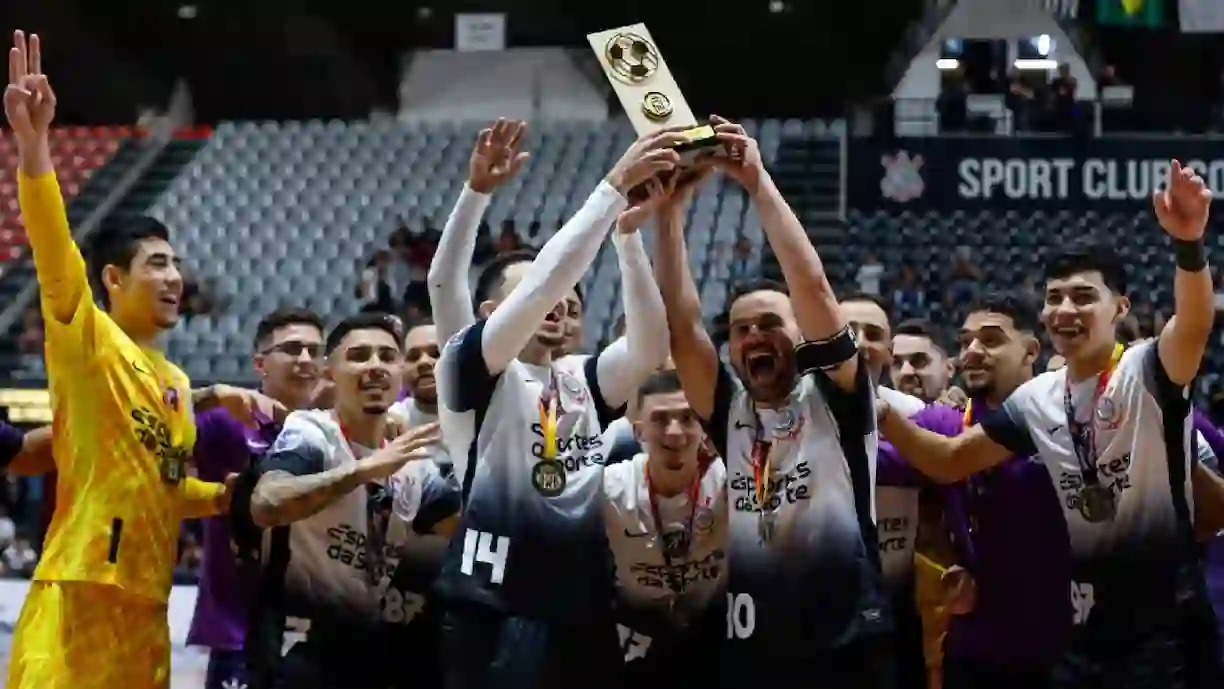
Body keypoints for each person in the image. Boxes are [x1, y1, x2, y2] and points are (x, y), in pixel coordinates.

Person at [876, 161, 1220, 689]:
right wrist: (876, 413)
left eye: (1084, 297)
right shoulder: (1037, 398)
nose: (1065, 309)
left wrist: (1189, 243)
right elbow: (948, 461)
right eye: (1054, 297)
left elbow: (1194, 320)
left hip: (1167, 629)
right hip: (1083, 634)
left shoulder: (1148, 367)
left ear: (1119, 307)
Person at [3, 31, 274, 689]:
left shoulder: (176, 383)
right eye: (158, 263)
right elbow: (52, 246)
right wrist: (35, 145)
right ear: (113, 280)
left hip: (146, 603)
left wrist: (230, 497)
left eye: (177, 263)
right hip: (79, 588)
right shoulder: (84, 335)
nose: (175, 276)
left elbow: (166, 492)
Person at [433, 128, 680, 689]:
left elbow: (649, 347)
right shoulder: (469, 369)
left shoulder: (581, 378)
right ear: (495, 311)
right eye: (547, 298)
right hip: (494, 605)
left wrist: (627, 239)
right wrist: (611, 187)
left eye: (573, 303)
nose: (561, 305)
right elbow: (461, 281)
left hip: (583, 603)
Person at [656, 116, 891, 687]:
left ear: (800, 336)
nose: (755, 336)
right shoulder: (730, 412)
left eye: (770, 324)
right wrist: (668, 212)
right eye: (741, 329)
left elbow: (811, 286)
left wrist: (758, 183)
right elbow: (682, 324)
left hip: (847, 643)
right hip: (755, 645)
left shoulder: (837, 396)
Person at [238, 313, 446, 689]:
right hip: (295, 647)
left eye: (386, 356)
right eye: (359, 355)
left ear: (400, 373)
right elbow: (267, 503)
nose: (375, 366)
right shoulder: (312, 431)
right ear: (329, 373)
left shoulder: (412, 459)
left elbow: (465, 526)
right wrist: (363, 470)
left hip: (369, 650)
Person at [905, 294, 1073, 689]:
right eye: (964, 342)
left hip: (1063, 643)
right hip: (976, 645)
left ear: (1031, 350)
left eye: (991, 339)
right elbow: (870, 454)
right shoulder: (943, 422)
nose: (972, 352)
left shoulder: (1072, 413)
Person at [189, 307, 326, 689]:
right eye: (293, 349)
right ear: (260, 364)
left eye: (315, 351)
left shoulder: (337, 427)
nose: (305, 359)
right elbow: (150, 414)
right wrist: (210, 395)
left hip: (322, 634)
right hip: (240, 633)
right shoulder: (225, 420)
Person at [602, 370, 726, 689]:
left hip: (714, 627)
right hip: (634, 628)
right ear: (638, 431)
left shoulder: (732, 483)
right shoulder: (609, 488)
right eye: (660, 419)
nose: (674, 432)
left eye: (688, 418)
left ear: (704, 428)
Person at [892, 319, 955, 404]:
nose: (905, 371)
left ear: (949, 368)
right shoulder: (875, 414)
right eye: (897, 363)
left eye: (919, 361)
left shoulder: (970, 414)